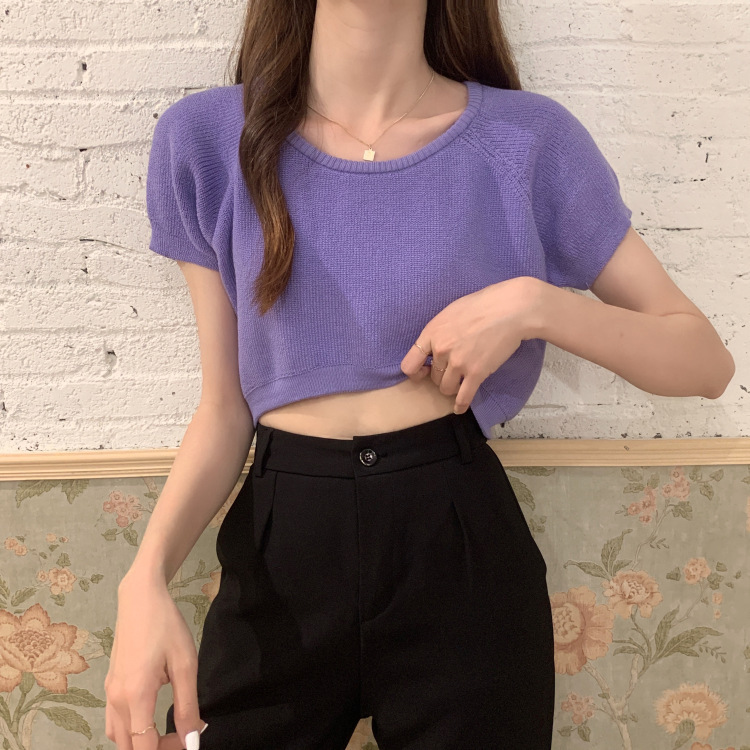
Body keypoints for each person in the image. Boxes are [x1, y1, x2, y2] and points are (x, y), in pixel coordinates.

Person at [104, 1, 736, 749]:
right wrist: (144, 578)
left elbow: (705, 361)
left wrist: (535, 306)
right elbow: (224, 409)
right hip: (280, 557)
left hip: (459, 551)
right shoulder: (209, 139)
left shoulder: (526, 141)